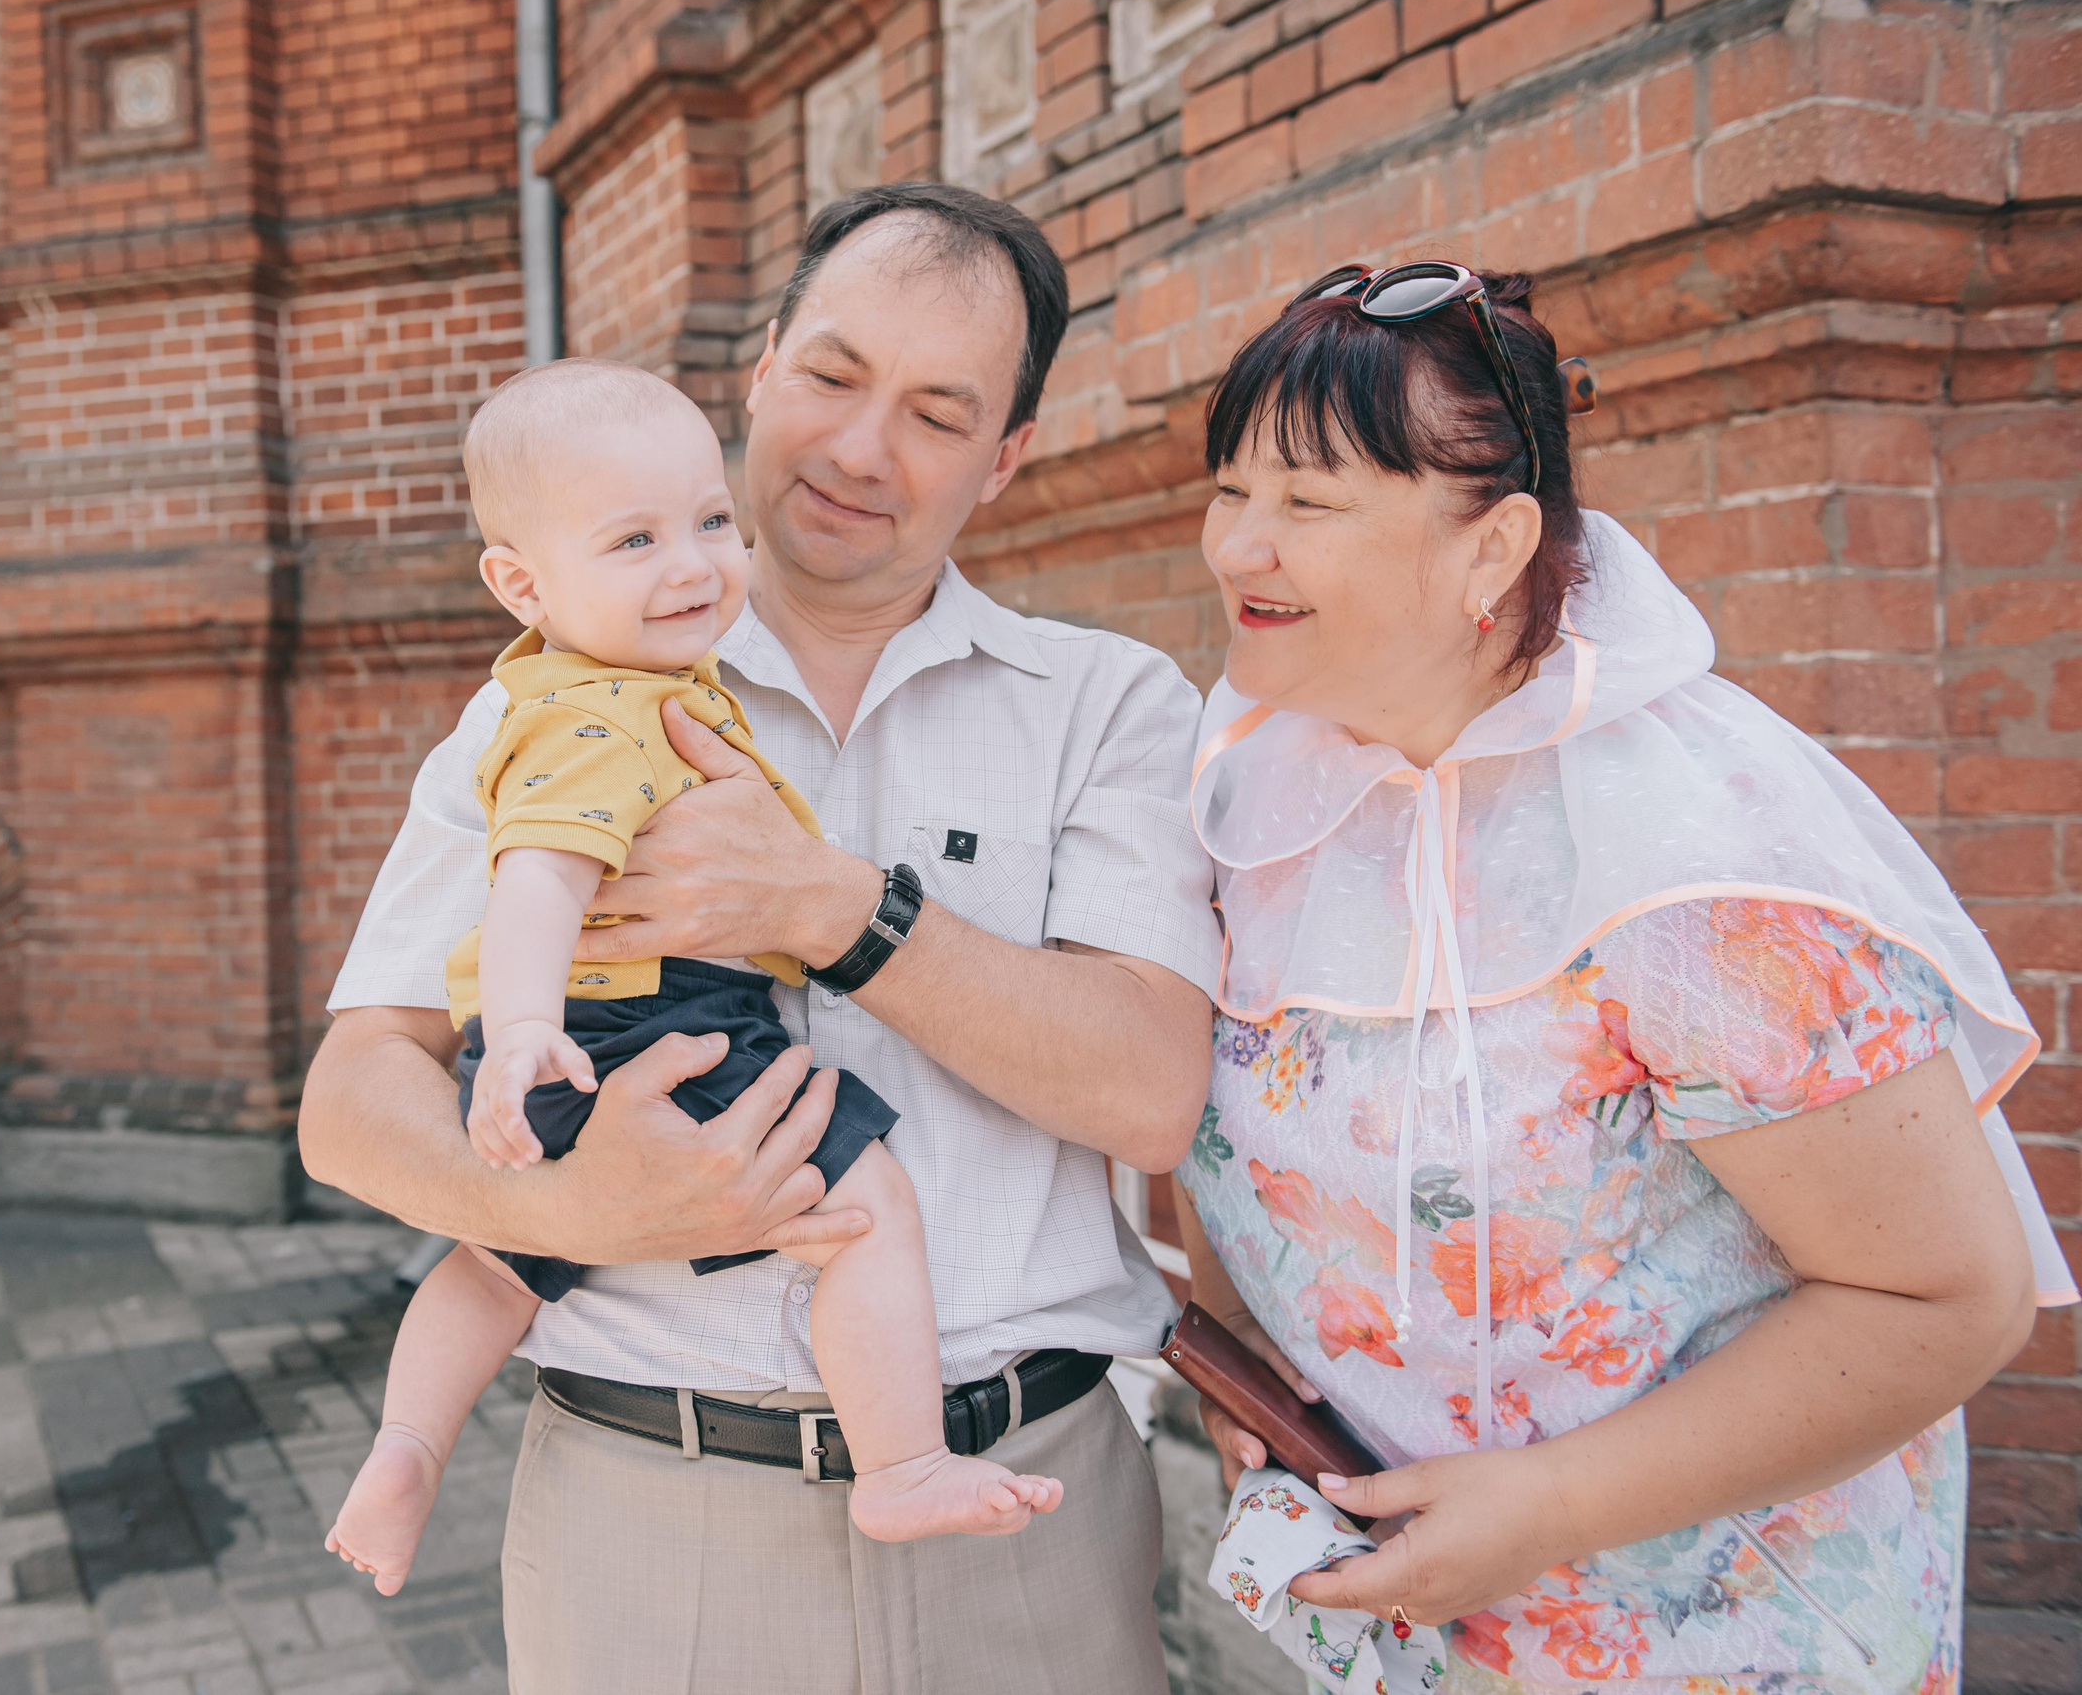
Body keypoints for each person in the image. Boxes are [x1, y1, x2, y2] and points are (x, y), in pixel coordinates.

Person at [298, 184, 1220, 1694]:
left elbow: (1149, 1092)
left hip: (1026, 1519)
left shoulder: (1105, 708)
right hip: (649, 1527)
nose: (862, 450)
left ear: (1008, 457)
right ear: (764, 362)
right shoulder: (552, 701)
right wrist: (573, 1203)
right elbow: (348, 1101)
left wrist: (835, 909)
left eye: (937, 412)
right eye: (834, 376)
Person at [1170, 261, 2077, 1691]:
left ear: (1493, 548)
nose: (1236, 546)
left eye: (1309, 502)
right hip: (1417, 1638)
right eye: (1231, 490)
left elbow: (1949, 1300)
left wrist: (1553, 1508)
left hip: (1721, 1640)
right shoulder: (1261, 804)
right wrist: (1274, 1397)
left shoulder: (1690, 859)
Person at [320, 359, 1064, 1596]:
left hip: (578, 1035)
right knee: (866, 1206)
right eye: (632, 539)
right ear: (522, 581)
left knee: (498, 1260)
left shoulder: (605, 688)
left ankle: (405, 1445)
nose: (691, 564)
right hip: (649, 1017)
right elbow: (538, 882)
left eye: (709, 521)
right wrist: (515, 1034)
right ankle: (904, 1463)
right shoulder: (600, 715)